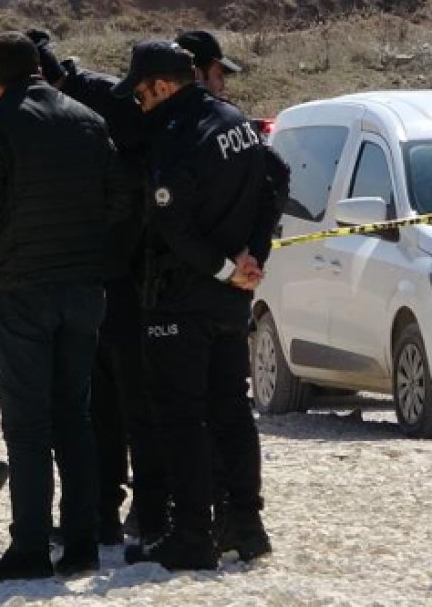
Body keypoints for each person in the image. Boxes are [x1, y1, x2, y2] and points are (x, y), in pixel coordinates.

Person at [0, 32, 130, 580]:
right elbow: (119, 200)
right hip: (83, 290)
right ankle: (81, 544)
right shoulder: (88, 119)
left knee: (28, 425)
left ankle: (30, 547)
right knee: (75, 420)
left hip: (23, 291)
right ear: (37, 67)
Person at [111, 40, 279, 570]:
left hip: (182, 297)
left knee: (180, 417)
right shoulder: (235, 121)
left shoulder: (175, 137)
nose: (139, 104)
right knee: (231, 410)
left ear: (162, 85)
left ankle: (192, 533)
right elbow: (276, 184)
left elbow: (170, 223)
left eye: (141, 94)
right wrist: (252, 256)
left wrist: (228, 267)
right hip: (230, 300)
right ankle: (246, 526)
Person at [26, 30, 162, 549]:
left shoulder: (104, 101)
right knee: (96, 403)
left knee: (135, 400)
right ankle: (103, 512)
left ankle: (149, 514)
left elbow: (135, 183)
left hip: (124, 276)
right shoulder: (70, 105)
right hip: (91, 275)